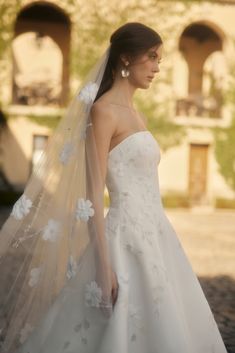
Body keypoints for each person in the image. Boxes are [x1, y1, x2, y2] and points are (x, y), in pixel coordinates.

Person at [0, 23, 228, 353]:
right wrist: (104, 268)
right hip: (124, 239)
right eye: (151, 57)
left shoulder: (139, 117)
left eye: (159, 60)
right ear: (125, 58)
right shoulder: (103, 111)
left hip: (158, 235)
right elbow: (93, 195)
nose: (157, 68)